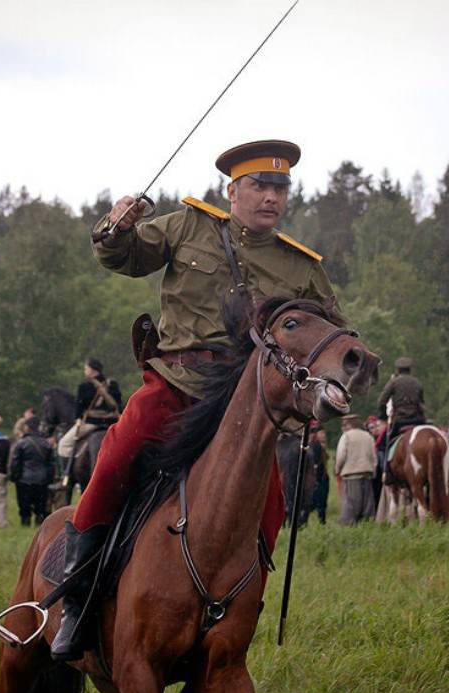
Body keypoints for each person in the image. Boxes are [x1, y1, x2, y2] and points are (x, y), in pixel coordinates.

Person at [50, 138, 339, 660]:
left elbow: (331, 332)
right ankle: (76, 600)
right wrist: (115, 225)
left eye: (280, 188)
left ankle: (234, 623)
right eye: (259, 186)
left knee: (272, 504)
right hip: (177, 384)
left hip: (243, 406)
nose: (271, 197)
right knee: (115, 456)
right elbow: (125, 256)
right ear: (233, 190)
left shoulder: (301, 267)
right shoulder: (188, 225)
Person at [58, 358, 123, 462]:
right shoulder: (113, 384)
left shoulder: (84, 386)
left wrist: (78, 418)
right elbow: (119, 405)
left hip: (92, 423)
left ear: (92, 370)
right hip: (112, 424)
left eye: (86, 368)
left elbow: (79, 407)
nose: (85, 371)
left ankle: (68, 476)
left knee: (64, 445)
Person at [9, 417, 56, 526]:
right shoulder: (46, 443)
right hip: (42, 479)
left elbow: (16, 463)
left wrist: (14, 477)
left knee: (24, 505)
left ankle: (25, 523)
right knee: (40, 506)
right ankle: (39, 524)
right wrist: (49, 478)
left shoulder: (21, 443)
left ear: (27, 427)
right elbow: (51, 464)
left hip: (24, 479)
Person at [335, 414, 378, 524]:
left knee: (351, 506)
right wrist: (373, 471)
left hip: (351, 475)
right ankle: (367, 524)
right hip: (367, 474)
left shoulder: (346, 436)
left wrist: (337, 469)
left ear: (349, 424)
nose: (343, 427)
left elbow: (341, 455)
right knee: (367, 506)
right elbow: (374, 457)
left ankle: (350, 524)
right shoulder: (368, 436)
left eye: (345, 424)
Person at [307, 425, 330, 524]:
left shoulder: (319, 445)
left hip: (320, 477)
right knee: (319, 502)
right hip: (318, 479)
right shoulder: (315, 446)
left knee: (320, 502)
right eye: (321, 433)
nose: (323, 435)